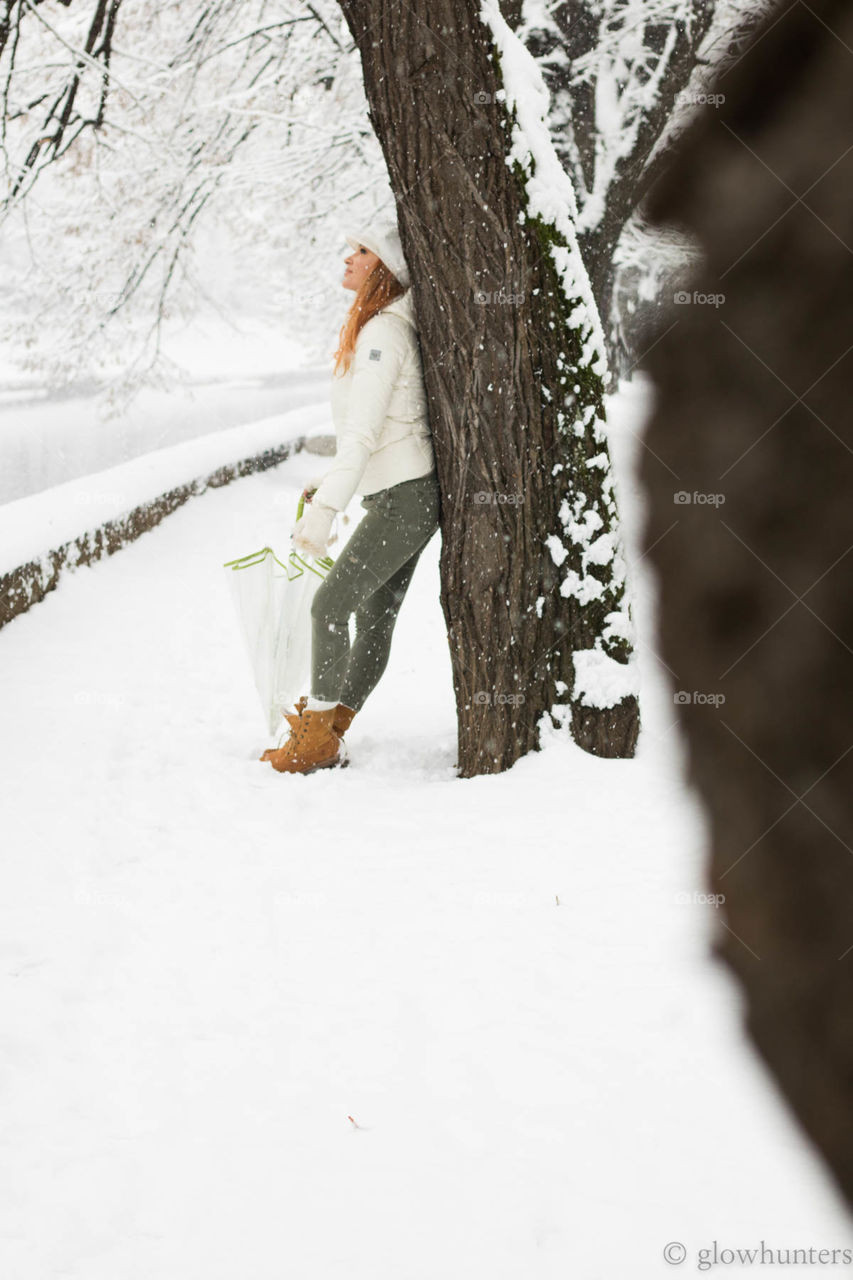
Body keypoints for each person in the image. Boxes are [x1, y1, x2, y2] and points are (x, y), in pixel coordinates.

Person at [261, 218, 440, 775]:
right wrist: (333, 483)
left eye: (359, 252)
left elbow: (364, 437)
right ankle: (329, 729)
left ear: (381, 267)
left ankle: (316, 739)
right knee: (374, 617)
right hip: (404, 492)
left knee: (330, 605)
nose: (347, 260)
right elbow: (378, 432)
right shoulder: (381, 328)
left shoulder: (383, 333)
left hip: (405, 497)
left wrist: (323, 512)